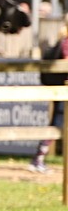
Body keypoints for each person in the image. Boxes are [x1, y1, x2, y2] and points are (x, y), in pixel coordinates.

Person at [30, 20, 68, 173]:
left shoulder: (62, 40)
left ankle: (38, 158)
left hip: (62, 89)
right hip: (63, 90)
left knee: (57, 122)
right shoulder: (66, 42)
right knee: (57, 123)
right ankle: (38, 158)